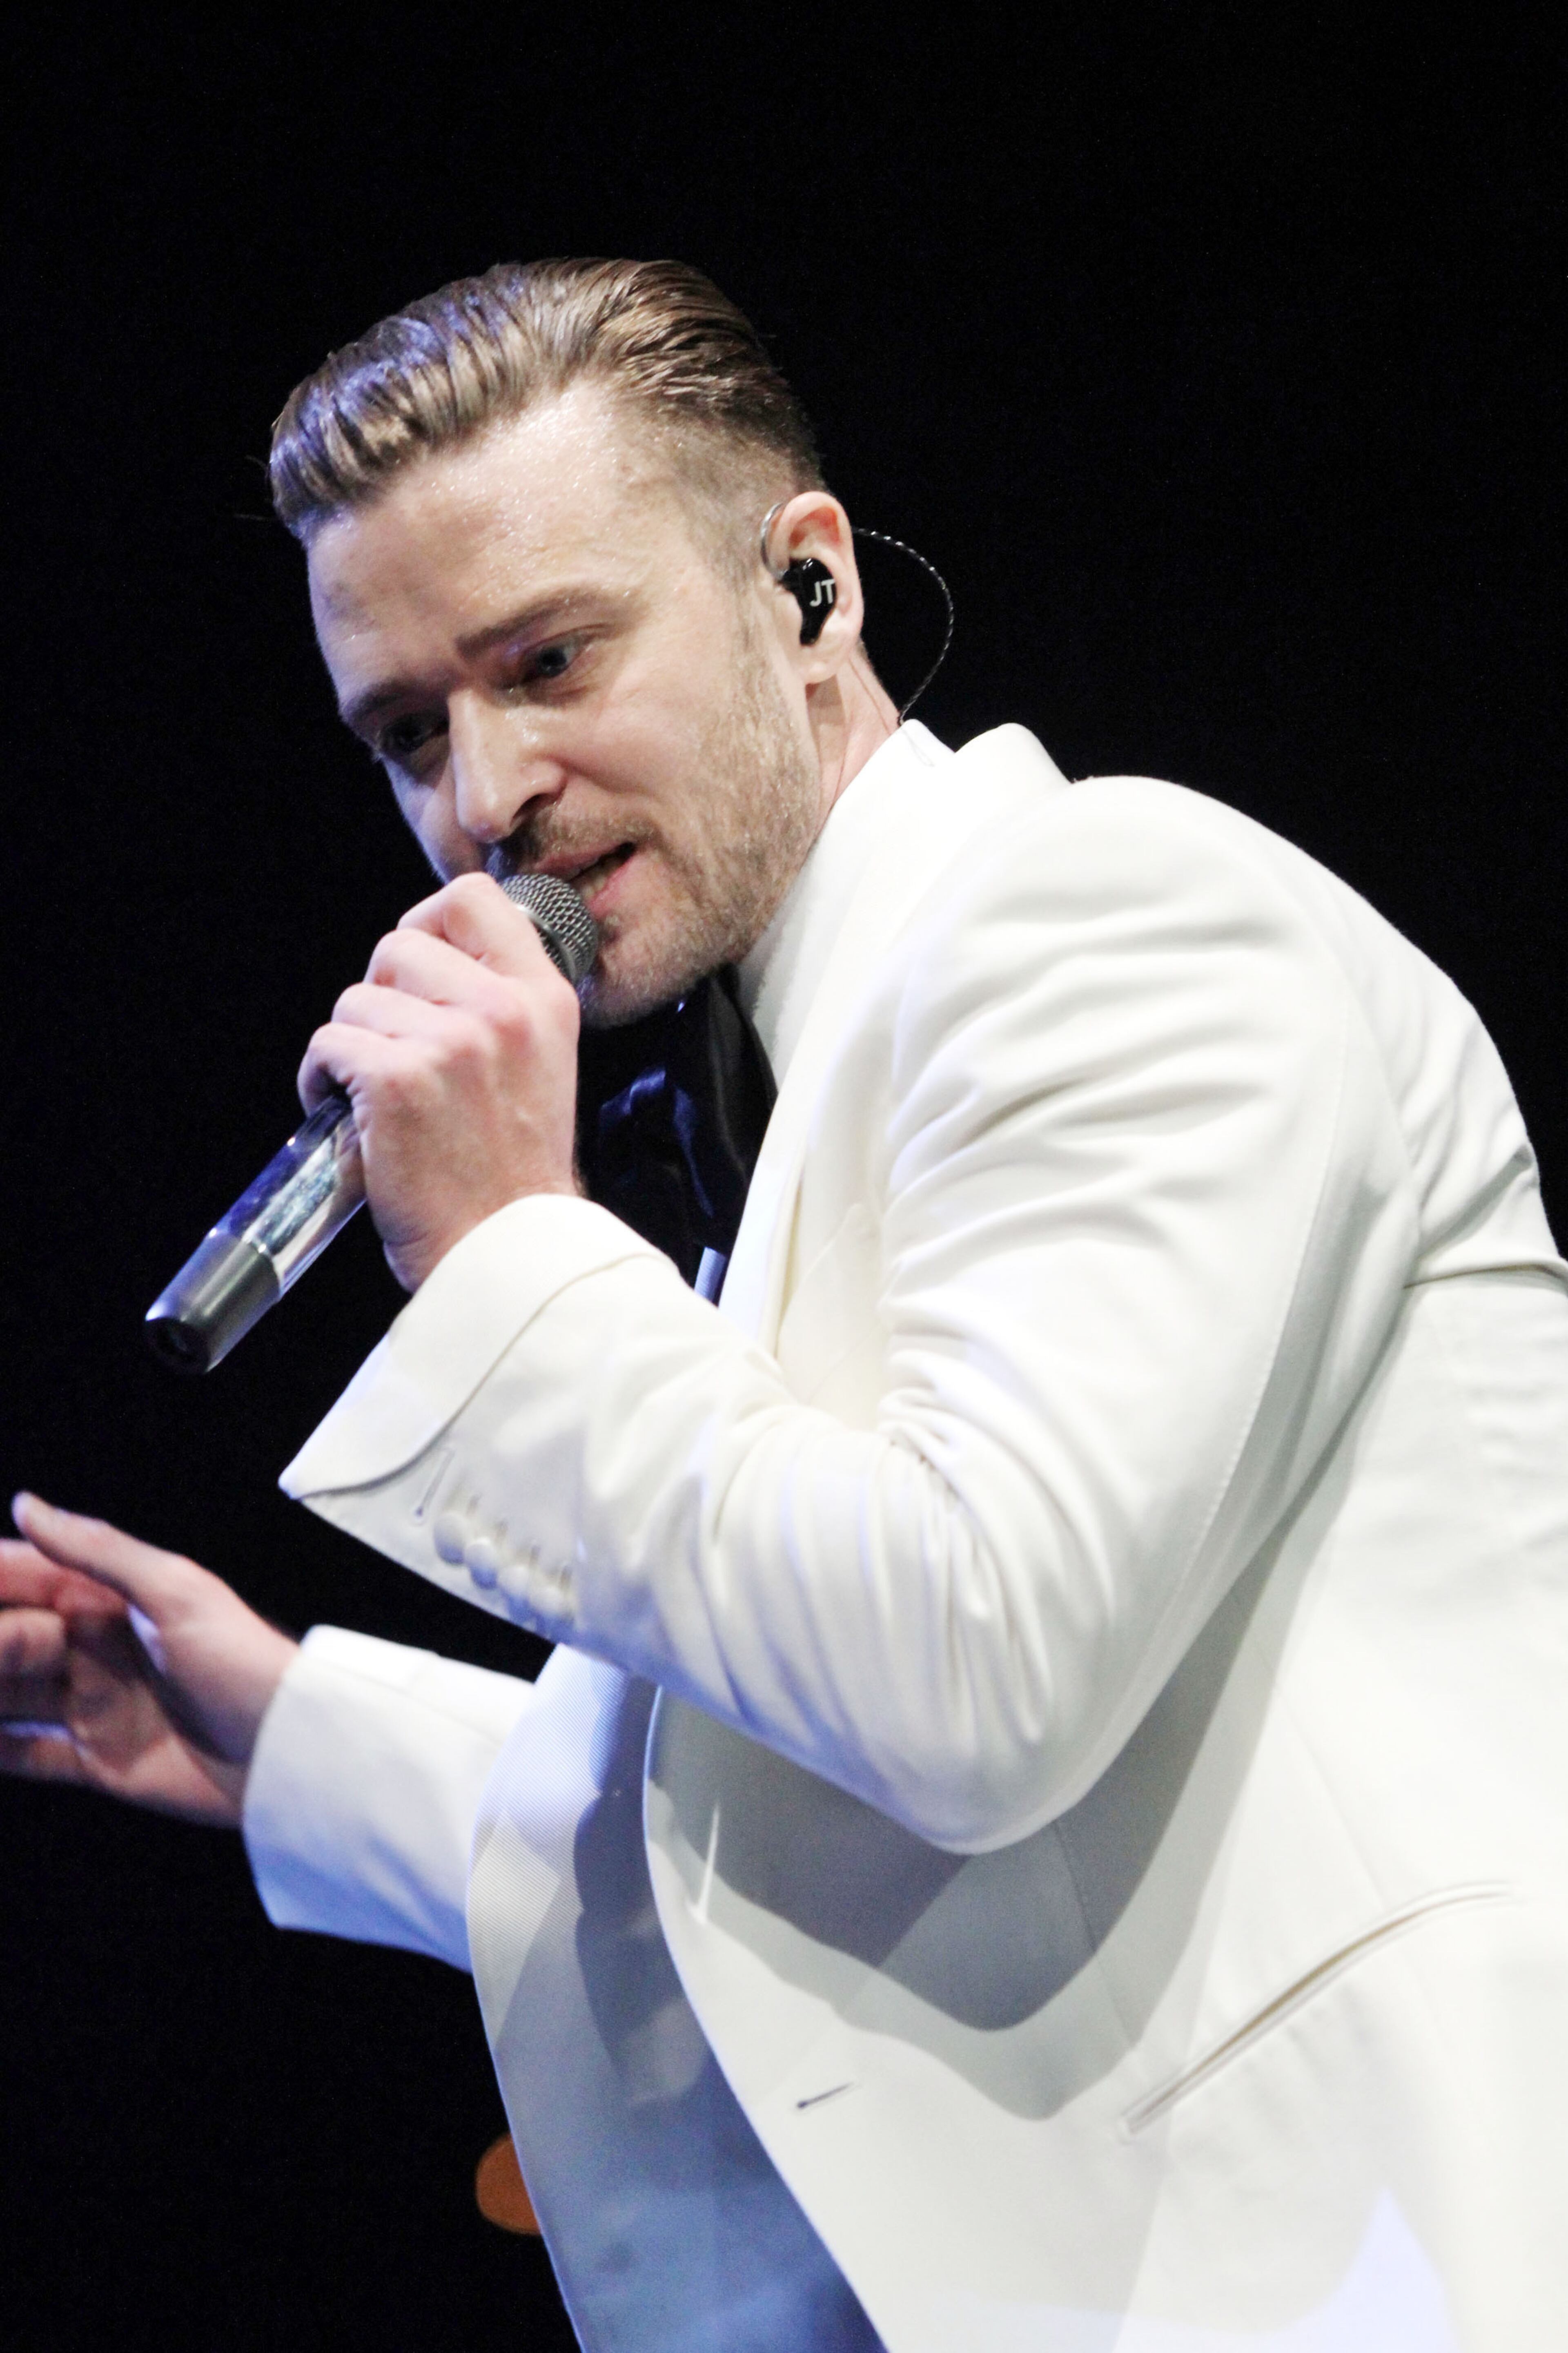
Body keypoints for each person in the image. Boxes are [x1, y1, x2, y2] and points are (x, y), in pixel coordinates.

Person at [2, 258, 1566, 2352]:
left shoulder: (1116, 923)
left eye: (550, 657)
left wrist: (504, 1256)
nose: (484, 800)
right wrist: (289, 1727)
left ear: (805, 589)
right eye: (408, 730)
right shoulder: (796, 1092)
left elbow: (967, 1676)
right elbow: (803, 1793)